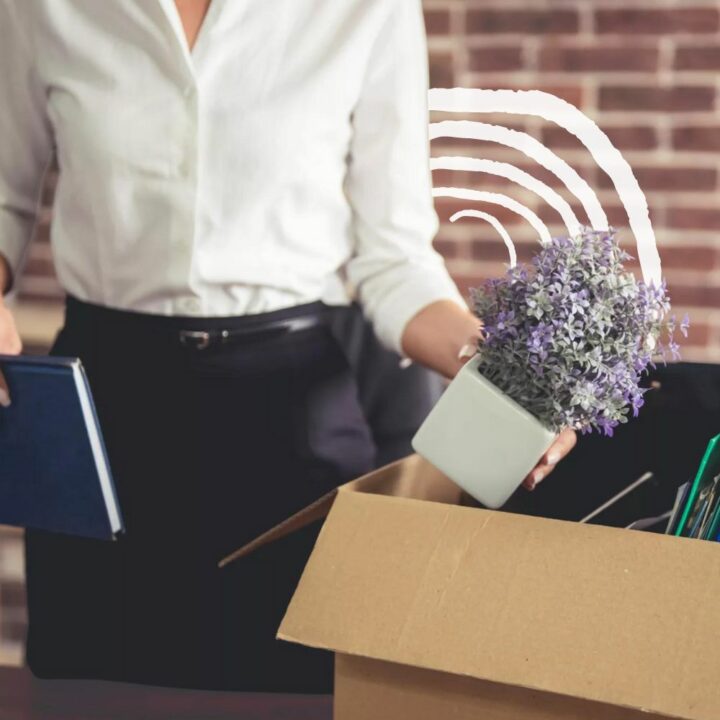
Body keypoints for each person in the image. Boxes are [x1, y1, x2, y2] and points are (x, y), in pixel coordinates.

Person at [0, 0, 576, 693]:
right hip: (102, 420)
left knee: (294, 690)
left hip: (288, 425)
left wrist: (500, 366)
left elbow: (393, 258)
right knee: (86, 691)